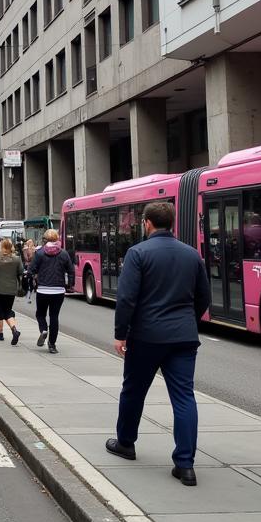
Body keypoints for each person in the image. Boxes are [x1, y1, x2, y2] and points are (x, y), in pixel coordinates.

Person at [106, 202, 211, 487]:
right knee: (184, 397)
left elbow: (127, 298)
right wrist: (189, 321)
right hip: (184, 336)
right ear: (172, 223)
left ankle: (126, 443)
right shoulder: (192, 255)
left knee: (134, 390)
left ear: (147, 223)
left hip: (146, 336)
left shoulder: (138, 253)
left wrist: (121, 333)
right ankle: (185, 464)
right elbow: (204, 297)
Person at [29, 229, 73, 353]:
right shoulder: (63, 253)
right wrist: (69, 284)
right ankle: (52, 345)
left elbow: (32, 269)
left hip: (43, 289)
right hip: (58, 290)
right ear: (57, 239)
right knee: (54, 316)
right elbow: (71, 270)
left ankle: (43, 329)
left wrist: (34, 277)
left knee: (40, 314)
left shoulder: (40, 253)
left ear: (45, 239)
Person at [0, 237, 23, 344]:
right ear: (11, 247)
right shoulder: (16, 259)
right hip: (11, 289)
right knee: (8, 310)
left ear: (1, 246)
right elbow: (20, 271)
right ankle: (14, 329)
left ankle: (0, 333)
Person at [22, 238, 37, 304]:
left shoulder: (34, 250)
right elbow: (27, 259)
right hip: (28, 267)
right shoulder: (26, 249)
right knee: (28, 281)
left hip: (31, 267)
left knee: (30, 282)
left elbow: (29, 259)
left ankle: (28, 297)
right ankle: (27, 296)